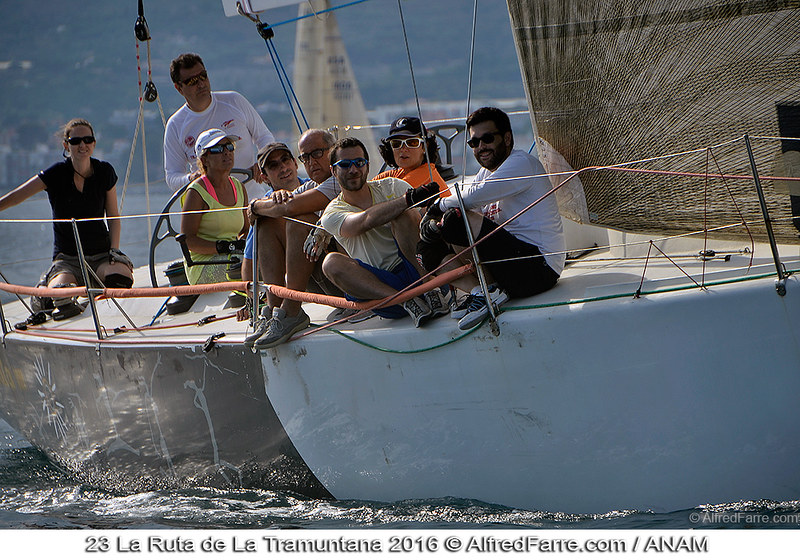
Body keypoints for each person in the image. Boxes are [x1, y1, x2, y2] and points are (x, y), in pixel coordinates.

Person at [416, 106, 565, 330]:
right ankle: (480, 291)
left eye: (487, 139)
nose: (480, 147)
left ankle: (490, 291)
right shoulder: (486, 173)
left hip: (538, 268)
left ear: (506, 138)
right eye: (474, 143)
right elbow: (468, 194)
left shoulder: (521, 163)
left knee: (454, 219)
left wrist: (438, 206)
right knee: (426, 248)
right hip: (506, 266)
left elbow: (473, 197)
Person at [0, 118, 133, 320]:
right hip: (67, 259)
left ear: (94, 143)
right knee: (63, 298)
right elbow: (18, 196)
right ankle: (48, 288)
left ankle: (87, 288)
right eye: (76, 141)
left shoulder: (105, 171)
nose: (82, 145)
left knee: (121, 280)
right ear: (66, 145)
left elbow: (114, 217)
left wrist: (114, 251)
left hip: (101, 255)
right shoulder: (56, 174)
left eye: (87, 140)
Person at [319, 137, 449, 327]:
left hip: (420, 271)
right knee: (330, 262)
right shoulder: (332, 213)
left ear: (367, 165)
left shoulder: (393, 186)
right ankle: (407, 301)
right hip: (382, 289)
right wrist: (407, 200)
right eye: (345, 165)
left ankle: (430, 288)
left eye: (359, 163)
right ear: (333, 171)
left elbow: (424, 222)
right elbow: (362, 222)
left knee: (406, 216)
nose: (353, 170)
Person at [243, 129, 342, 349]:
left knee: (298, 219)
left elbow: (291, 206)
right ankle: (275, 308)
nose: (311, 161)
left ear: (333, 152)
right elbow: (280, 209)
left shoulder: (338, 182)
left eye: (317, 153)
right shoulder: (308, 187)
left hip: (346, 276)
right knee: (267, 223)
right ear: (265, 176)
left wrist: (256, 206)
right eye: (305, 157)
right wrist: (265, 207)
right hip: (322, 276)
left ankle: (291, 309)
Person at [164, 53, 275, 195]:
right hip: (211, 208)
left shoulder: (234, 101)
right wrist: (191, 178)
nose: (201, 84)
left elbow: (264, 137)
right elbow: (172, 177)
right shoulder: (175, 125)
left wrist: (262, 163)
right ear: (179, 88)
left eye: (203, 76)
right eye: (192, 81)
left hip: (253, 200)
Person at [180, 128, 248, 285]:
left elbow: (246, 229)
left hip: (233, 257)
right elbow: (188, 240)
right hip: (202, 265)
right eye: (217, 149)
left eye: (229, 147)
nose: (226, 152)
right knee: (251, 266)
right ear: (204, 160)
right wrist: (223, 247)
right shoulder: (196, 192)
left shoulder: (239, 187)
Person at [374, 116, 449, 195]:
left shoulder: (425, 173)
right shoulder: (395, 175)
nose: (403, 149)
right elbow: (368, 188)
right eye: (396, 143)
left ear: (424, 147)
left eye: (412, 143)